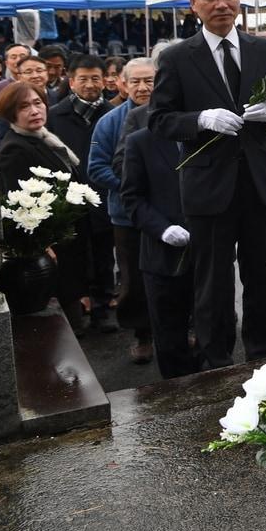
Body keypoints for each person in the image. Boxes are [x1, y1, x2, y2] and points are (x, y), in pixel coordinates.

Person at [148, 0, 266, 369]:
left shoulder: (264, 49)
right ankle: (216, 363)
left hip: (258, 179)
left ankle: (264, 357)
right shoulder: (178, 58)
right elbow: (159, 120)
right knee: (212, 282)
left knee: (260, 278)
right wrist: (200, 120)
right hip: (208, 188)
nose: (221, 4)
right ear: (193, 3)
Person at [0, 81, 89, 331]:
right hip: (47, 248)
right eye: (24, 106)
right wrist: (42, 244)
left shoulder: (45, 138)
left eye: (38, 103)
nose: (34, 111)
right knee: (59, 326)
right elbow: (17, 205)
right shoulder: (14, 149)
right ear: (10, 113)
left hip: (67, 240)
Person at [87, 57, 157, 364]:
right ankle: (142, 334)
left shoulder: (173, 114)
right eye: (136, 82)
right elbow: (97, 167)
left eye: (150, 81)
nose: (143, 88)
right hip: (127, 215)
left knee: (181, 270)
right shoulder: (110, 121)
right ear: (123, 85)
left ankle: (187, 324)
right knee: (134, 277)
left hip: (172, 211)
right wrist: (134, 186)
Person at [46, 54, 117, 334]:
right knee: (73, 258)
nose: (90, 84)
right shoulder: (55, 115)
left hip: (102, 195)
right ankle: (76, 314)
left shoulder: (111, 114)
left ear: (105, 81)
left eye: (95, 78)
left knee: (103, 255)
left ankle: (102, 309)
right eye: (83, 79)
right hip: (70, 199)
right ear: (71, 81)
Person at [122, 122, 198, 379]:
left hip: (207, 252)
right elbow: (132, 198)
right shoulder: (140, 141)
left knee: (213, 331)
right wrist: (163, 229)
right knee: (169, 337)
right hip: (162, 256)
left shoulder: (209, 134)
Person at [0, 43, 30, 132]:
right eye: (13, 57)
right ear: (6, 63)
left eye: (22, 56)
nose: (18, 60)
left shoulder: (40, 84)